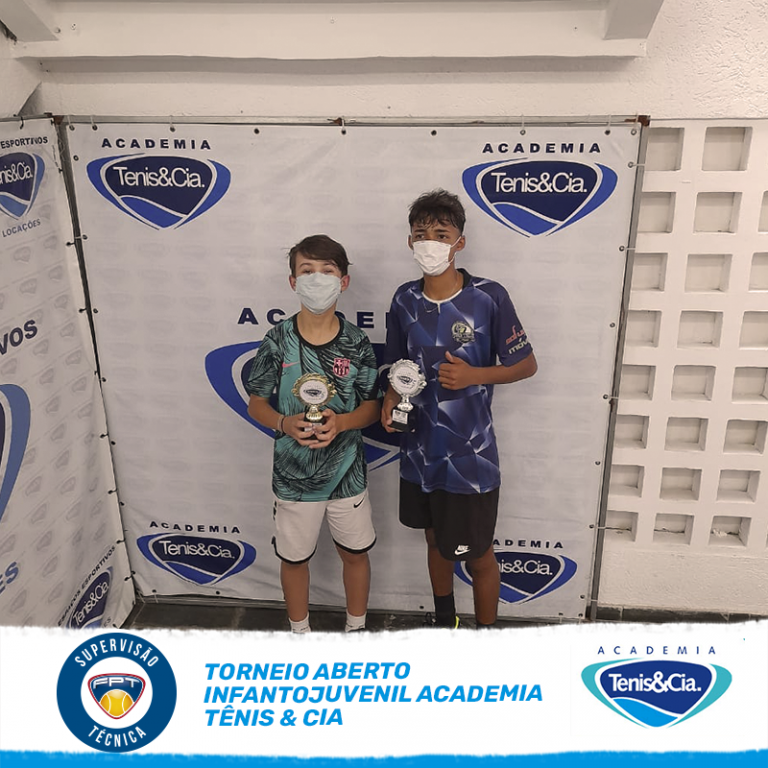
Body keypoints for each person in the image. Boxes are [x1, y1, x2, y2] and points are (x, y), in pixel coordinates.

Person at [381, 189, 537, 629]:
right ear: (409, 242)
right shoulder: (404, 299)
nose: (429, 242)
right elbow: (394, 365)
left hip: (469, 458)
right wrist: (390, 399)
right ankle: (445, 622)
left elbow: (526, 364)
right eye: (420, 234)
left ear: (459, 243)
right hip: (419, 452)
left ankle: (486, 635)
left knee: (478, 554)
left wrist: (474, 375)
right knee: (435, 540)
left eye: (441, 234)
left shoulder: (488, 297)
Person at [246, 234, 380, 633]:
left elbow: (372, 407)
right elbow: (256, 403)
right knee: (294, 560)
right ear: (293, 282)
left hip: (347, 475)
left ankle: (356, 629)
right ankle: (300, 634)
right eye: (307, 271)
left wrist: (342, 423)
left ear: (344, 281)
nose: (317, 279)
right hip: (293, 477)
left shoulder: (357, 342)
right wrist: (284, 423)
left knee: (355, 554)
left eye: (327, 270)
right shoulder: (277, 340)